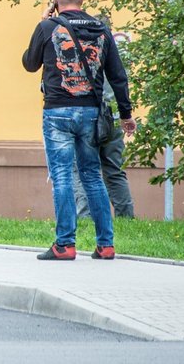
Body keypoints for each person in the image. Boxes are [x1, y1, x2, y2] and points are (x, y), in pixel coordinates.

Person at [22, 0, 136, 261]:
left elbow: (29, 63)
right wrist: (126, 115)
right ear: (82, 0)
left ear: (56, 2)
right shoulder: (101, 29)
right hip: (91, 112)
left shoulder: (48, 26)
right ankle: (105, 245)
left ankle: (65, 245)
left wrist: (43, 20)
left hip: (57, 112)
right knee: (92, 177)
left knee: (62, 176)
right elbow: (117, 75)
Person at [72, 17, 135, 219]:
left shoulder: (80, 55)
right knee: (115, 171)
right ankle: (126, 217)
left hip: (88, 117)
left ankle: (85, 218)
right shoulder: (116, 54)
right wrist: (126, 115)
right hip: (113, 118)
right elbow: (120, 82)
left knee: (82, 171)